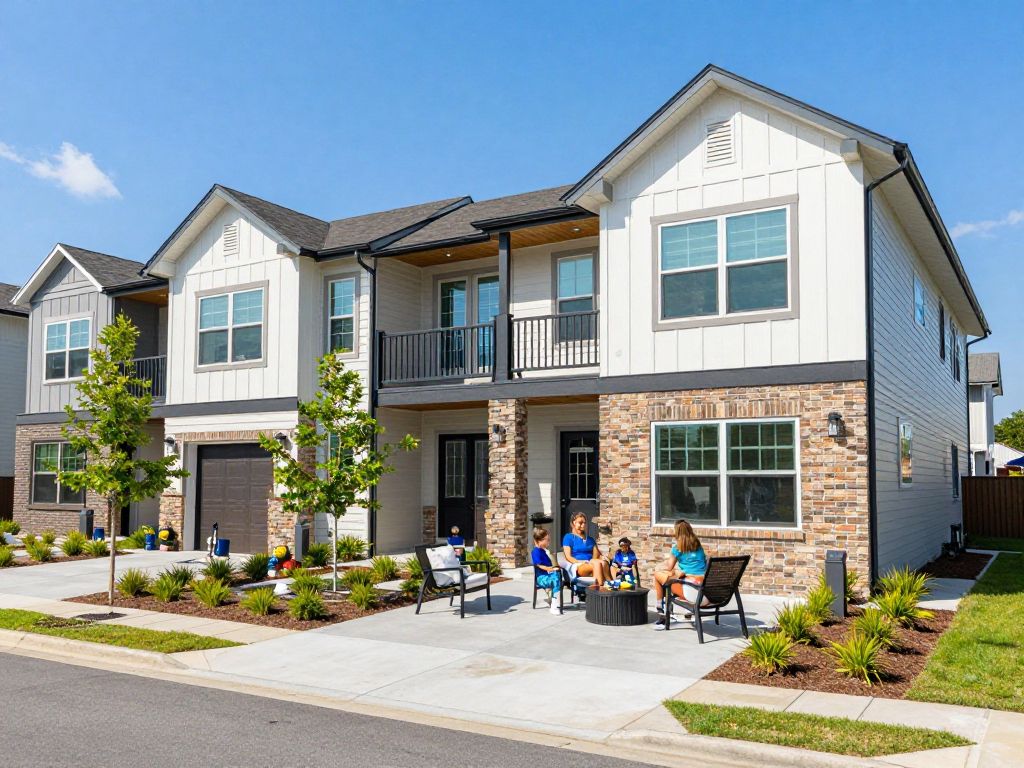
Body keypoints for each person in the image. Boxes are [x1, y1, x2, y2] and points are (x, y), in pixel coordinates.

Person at [653, 520, 707, 630]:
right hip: (705, 590)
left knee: (658, 575)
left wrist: (667, 565)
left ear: (677, 533)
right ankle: (663, 609)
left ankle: (660, 610)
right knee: (671, 574)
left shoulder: (677, 548)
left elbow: (669, 567)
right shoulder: (699, 546)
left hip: (691, 591)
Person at [561, 511, 609, 599]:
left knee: (602, 562)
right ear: (573, 523)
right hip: (578, 565)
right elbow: (568, 557)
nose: (583, 525)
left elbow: (597, 555)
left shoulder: (590, 539)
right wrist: (581, 561)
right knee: (598, 564)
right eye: (580, 523)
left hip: (591, 563)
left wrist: (604, 558)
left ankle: (605, 588)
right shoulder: (568, 537)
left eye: (584, 523)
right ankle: (601, 592)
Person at [531, 527, 564, 615]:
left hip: (549, 575)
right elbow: (538, 565)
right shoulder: (536, 552)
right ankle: (553, 605)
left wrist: (555, 567)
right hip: (541, 578)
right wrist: (550, 569)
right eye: (547, 540)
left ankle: (553, 599)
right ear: (539, 540)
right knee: (556, 580)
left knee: (558, 577)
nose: (549, 542)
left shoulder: (544, 551)